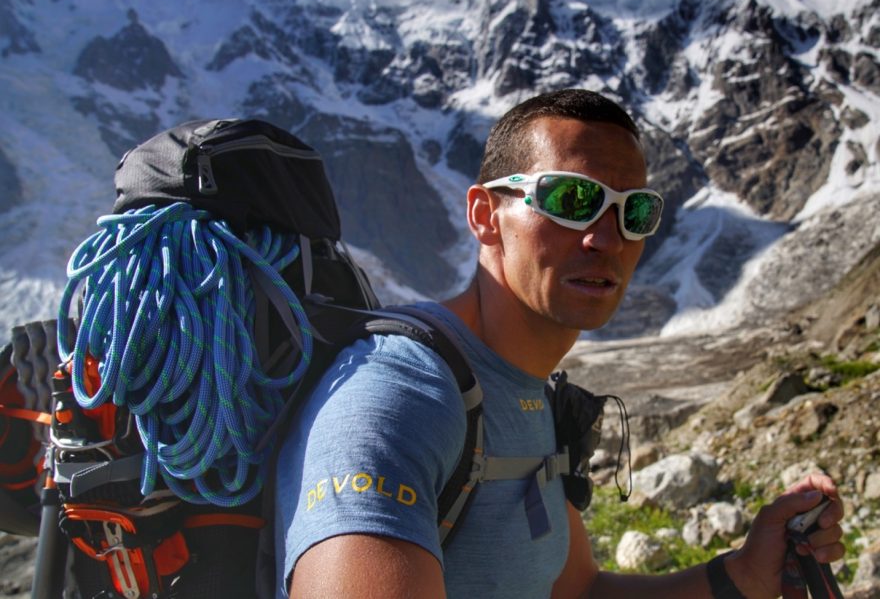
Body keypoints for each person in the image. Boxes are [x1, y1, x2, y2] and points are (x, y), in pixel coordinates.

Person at [274, 89, 845, 598]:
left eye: (634, 212)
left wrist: (742, 576)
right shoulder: (399, 397)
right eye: (572, 200)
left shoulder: (533, 398)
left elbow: (577, 592)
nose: (607, 239)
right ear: (485, 215)